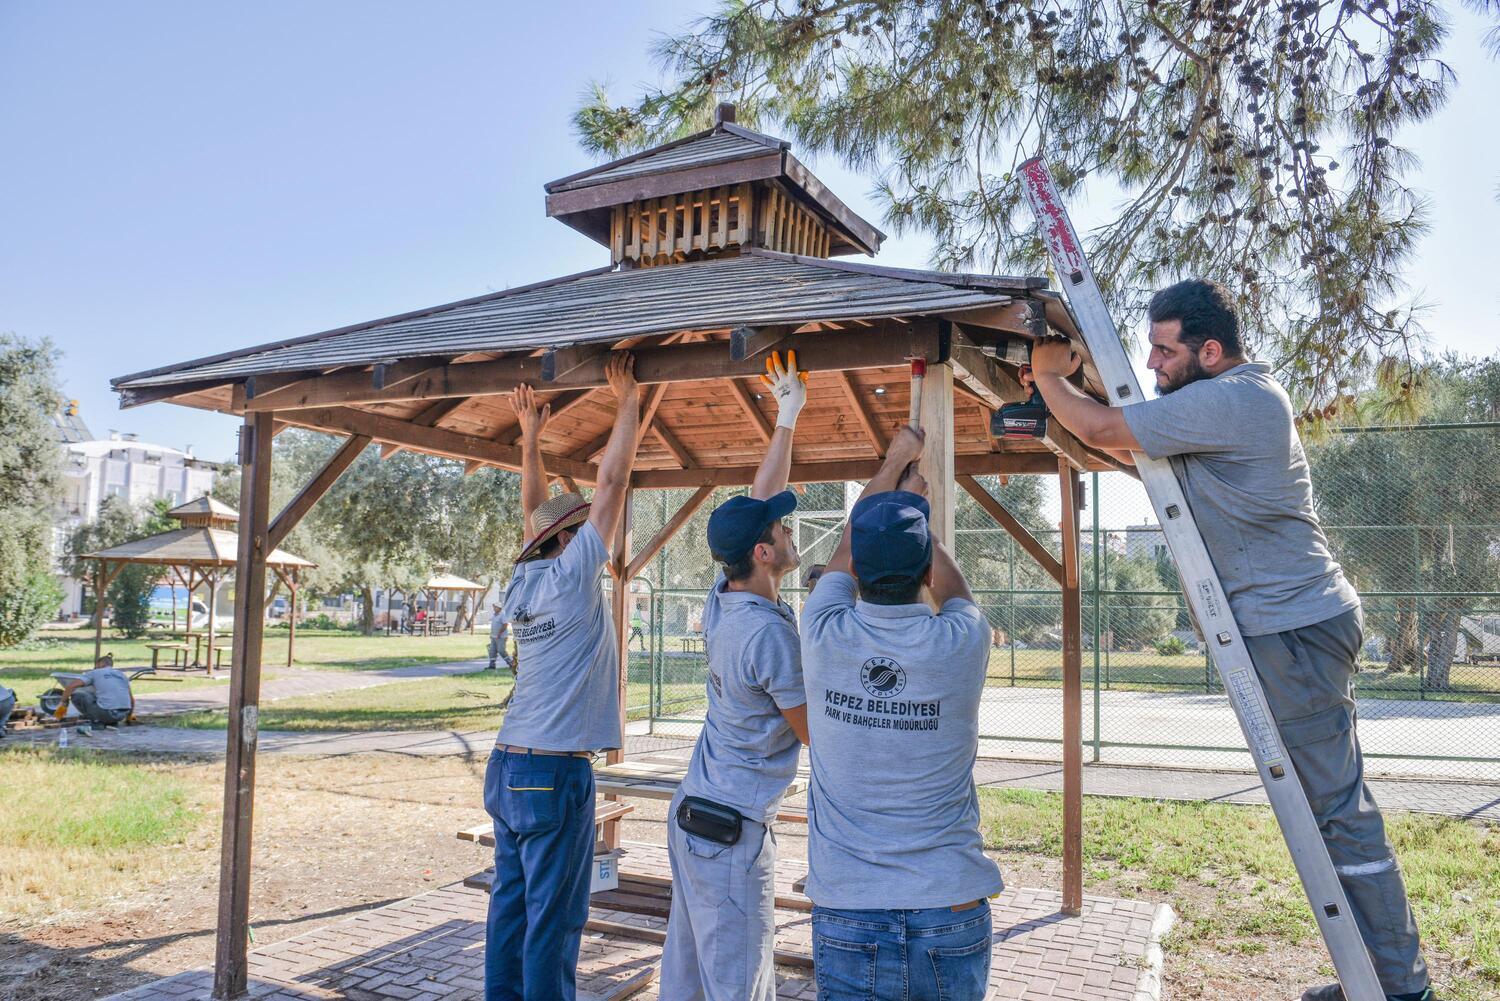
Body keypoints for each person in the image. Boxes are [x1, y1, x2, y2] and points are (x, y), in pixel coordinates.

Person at [1023, 278, 1433, 1001]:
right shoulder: (1214, 408)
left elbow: (1105, 431)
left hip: (1294, 628)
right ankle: (1372, 974)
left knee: (1338, 812)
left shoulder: (1238, 399)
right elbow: (1128, 453)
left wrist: (1053, 376)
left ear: (1210, 351)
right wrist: (1065, 394)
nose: (1151, 364)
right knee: (1328, 809)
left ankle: (1400, 990)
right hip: (1293, 624)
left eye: (1163, 349)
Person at [800, 427, 1001, 1001]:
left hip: (849, 906)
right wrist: (921, 520)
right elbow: (953, 586)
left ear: (856, 573)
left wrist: (895, 469)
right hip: (950, 903)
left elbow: (847, 541)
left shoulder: (821, 630)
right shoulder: (963, 640)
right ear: (927, 573)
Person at [485, 353, 640, 1001]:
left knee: (511, 913)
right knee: (555, 920)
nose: (588, 533)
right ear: (568, 539)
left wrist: (530, 438)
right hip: (555, 772)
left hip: (510, 762)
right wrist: (628, 403)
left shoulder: (527, 579)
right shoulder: (575, 574)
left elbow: (532, 509)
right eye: (577, 530)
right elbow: (611, 484)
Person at [660, 351, 811, 1001]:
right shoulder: (769, 634)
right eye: (782, 526)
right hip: (732, 836)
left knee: (688, 985)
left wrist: (787, 417)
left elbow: (755, 500)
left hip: (695, 815)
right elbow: (818, 735)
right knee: (740, 989)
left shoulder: (724, 596)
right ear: (763, 551)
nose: (788, 527)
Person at [54, 654, 135, 728]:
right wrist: (128, 718)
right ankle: (111, 722)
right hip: (122, 715)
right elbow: (131, 700)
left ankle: (96, 721)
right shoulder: (122, 675)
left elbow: (71, 686)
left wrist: (62, 703)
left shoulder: (95, 673)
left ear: (99, 664)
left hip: (107, 713)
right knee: (100, 698)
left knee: (77, 695)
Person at [488, 603, 517, 672]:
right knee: (492, 651)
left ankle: (510, 663)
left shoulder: (502, 615)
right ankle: (492, 665)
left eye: (495, 607)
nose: (494, 608)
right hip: (493, 636)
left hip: (501, 637)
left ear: (499, 608)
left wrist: (499, 634)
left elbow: (505, 625)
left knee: (501, 650)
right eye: (494, 607)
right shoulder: (494, 615)